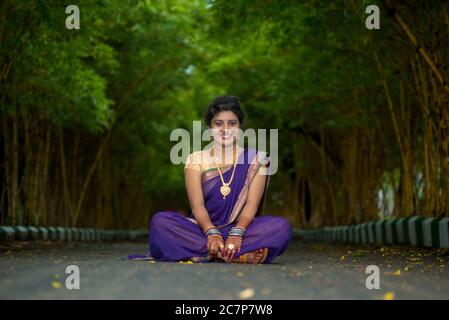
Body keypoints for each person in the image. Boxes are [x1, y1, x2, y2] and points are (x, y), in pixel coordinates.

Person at [128, 96, 292, 263]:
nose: (225, 129)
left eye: (232, 123)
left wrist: (237, 233)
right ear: (209, 129)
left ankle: (219, 252)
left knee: (280, 227)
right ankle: (235, 255)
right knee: (160, 222)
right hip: (201, 229)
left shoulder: (257, 160)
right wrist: (211, 232)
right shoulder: (196, 159)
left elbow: (251, 205)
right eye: (218, 123)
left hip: (241, 229)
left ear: (240, 127)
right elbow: (197, 206)